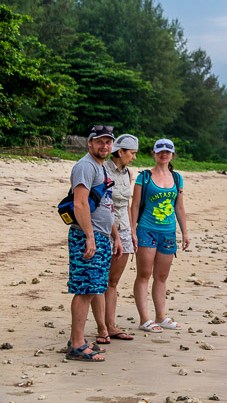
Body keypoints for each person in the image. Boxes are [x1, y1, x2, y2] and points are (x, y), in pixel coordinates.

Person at [66, 125, 123, 362]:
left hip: (101, 235)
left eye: (108, 142)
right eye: (99, 141)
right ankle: (76, 344)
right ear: (90, 143)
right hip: (86, 237)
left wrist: (115, 236)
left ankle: (77, 340)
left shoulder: (101, 168)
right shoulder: (85, 166)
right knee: (84, 290)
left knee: (93, 288)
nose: (104, 146)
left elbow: (104, 205)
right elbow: (79, 204)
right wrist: (90, 236)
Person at [131, 138, 190, 332]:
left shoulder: (177, 178)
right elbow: (135, 205)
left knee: (162, 276)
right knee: (144, 274)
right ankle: (144, 318)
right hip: (147, 229)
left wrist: (185, 232)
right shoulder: (144, 177)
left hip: (168, 232)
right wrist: (133, 230)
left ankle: (161, 316)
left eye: (167, 152)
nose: (163, 154)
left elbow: (179, 207)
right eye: (160, 151)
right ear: (154, 154)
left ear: (172, 155)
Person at [95, 134, 139, 343]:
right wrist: (115, 235)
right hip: (104, 228)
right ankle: (102, 327)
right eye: (132, 153)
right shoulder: (102, 170)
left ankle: (111, 325)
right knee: (100, 280)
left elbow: (127, 204)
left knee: (113, 281)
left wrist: (132, 231)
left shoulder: (127, 172)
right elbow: (105, 205)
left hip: (124, 228)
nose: (134, 158)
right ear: (120, 152)